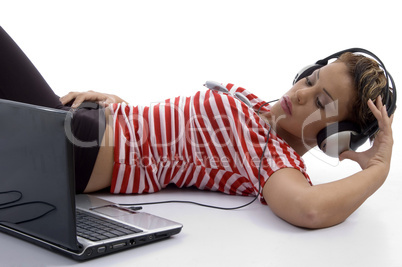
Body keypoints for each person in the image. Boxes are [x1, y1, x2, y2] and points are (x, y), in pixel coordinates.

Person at [0, 26, 394, 229]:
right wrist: (118, 106)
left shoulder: (270, 156)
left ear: (334, 136)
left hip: (73, 149)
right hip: (83, 124)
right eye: (311, 79)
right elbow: (175, 133)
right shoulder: (247, 100)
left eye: (322, 101)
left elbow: (309, 209)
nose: (303, 93)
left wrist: (377, 171)